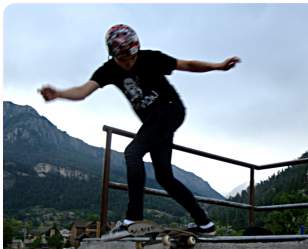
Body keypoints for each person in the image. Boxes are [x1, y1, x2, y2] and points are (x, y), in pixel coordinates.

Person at [39, 24, 240, 238]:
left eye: (130, 57)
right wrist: (59, 94)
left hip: (170, 110)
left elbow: (188, 64)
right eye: (122, 59)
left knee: (133, 152)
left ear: (136, 49)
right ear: (112, 54)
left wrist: (218, 66)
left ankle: (133, 217)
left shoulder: (151, 58)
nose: (127, 62)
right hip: (154, 122)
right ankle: (205, 224)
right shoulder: (108, 70)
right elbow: (83, 91)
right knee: (164, 177)